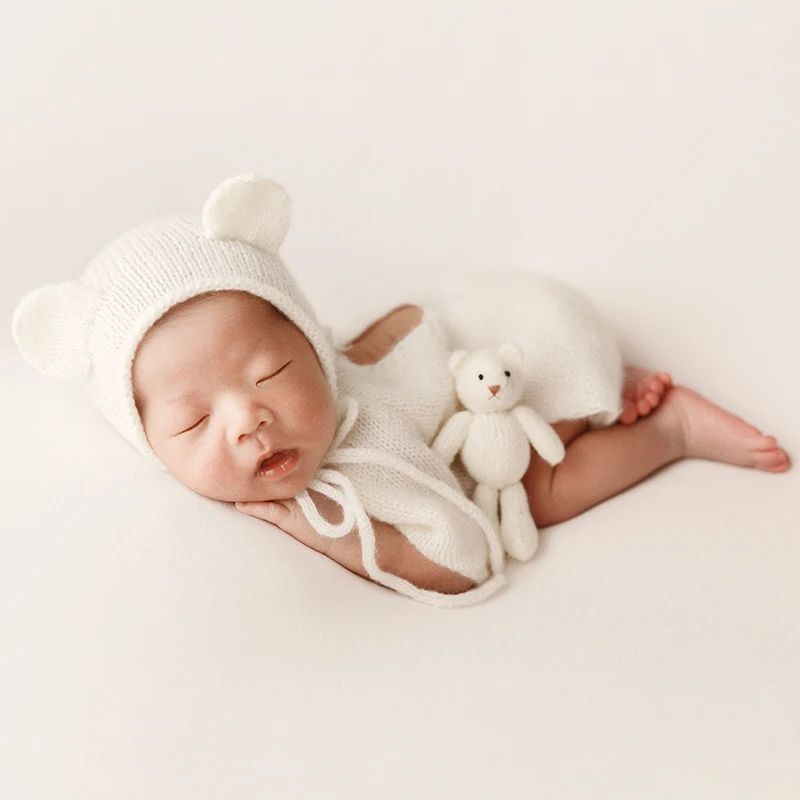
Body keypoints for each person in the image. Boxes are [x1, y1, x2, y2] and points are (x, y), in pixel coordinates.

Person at [12, 175, 791, 607]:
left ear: (313, 351)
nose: (248, 418)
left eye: (272, 373)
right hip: (474, 343)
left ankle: (667, 429)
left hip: (517, 341)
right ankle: (605, 389)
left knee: (535, 486)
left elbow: (470, 558)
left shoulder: (365, 440)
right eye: (191, 421)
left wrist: (337, 538)